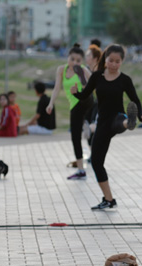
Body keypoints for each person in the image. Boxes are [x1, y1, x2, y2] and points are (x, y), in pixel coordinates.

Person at [71, 44, 142, 210]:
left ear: (121, 62)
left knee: (120, 122)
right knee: (97, 162)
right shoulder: (97, 76)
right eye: (111, 60)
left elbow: (136, 99)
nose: (113, 64)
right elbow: (85, 95)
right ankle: (109, 199)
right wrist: (76, 92)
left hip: (117, 116)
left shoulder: (125, 80)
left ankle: (129, 122)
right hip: (102, 121)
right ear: (106, 59)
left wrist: (140, 115)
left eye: (117, 62)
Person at [47, 43, 94, 180]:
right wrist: (51, 103)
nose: (74, 62)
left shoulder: (83, 69)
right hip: (74, 105)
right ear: (67, 57)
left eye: (78, 60)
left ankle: (81, 171)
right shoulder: (61, 69)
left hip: (86, 99)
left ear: (82, 61)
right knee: (75, 138)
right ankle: (81, 169)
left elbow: (95, 81)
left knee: (75, 134)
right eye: (72, 59)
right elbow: (57, 88)